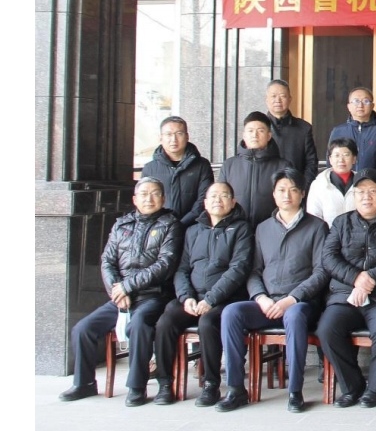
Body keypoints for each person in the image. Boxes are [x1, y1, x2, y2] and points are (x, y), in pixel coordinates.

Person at [59, 177, 182, 406]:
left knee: (138, 326)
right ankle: (84, 383)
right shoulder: (122, 224)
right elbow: (107, 260)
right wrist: (117, 290)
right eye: (143, 194)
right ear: (134, 199)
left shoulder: (170, 224)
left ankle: (137, 387)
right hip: (121, 297)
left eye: (155, 193)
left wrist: (128, 286)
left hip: (153, 296)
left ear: (163, 198)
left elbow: (165, 264)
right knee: (83, 329)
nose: (149, 198)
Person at [216, 168, 329, 413]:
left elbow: (321, 272)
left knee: (294, 316)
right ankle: (236, 389)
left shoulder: (317, 227)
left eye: (293, 190)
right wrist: (260, 297)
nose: (287, 195)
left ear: (302, 194)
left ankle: (295, 391)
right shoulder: (263, 228)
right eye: (281, 190)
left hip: (301, 303)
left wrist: (292, 298)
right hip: (267, 303)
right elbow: (254, 271)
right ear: (274, 194)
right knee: (231, 313)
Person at [317, 168, 376, 409]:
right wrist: (356, 278)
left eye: (372, 191)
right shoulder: (341, 222)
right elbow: (328, 257)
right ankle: (353, 387)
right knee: (327, 330)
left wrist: (371, 278)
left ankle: (374, 389)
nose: (366, 197)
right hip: (345, 296)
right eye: (360, 192)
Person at [156, 182, 254, 407]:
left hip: (226, 298)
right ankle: (165, 383)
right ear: (205, 203)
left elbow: (238, 269)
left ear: (233, 202)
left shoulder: (242, 229)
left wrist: (211, 299)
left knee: (208, 322)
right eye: (213, 196)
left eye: (224, 196)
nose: (218, 200)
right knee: (166, 321)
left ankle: (211, 384)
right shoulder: (193, 231)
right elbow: (181, 269)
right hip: (193, 298)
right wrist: (186, 297)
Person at [219, 111, 292, 227]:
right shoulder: (229, 165)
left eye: (260, 131)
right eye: (250, 131)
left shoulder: (283, 166)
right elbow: (221, 198)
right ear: (244, 135)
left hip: (271, 228)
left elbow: (290, 201)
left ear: (269, 136)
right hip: (236, 230)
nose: (255, 135)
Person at [140, 116, 213, 228]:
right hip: (159, 228)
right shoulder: (150, 168)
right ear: (161, 138)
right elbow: (145, 201)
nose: (173, 139)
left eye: (179, 133)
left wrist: (181, 225)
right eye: (168, 134)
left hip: (193, 227)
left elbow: (204, 199)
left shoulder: (202, 165)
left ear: (187, 136)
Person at [327, 86, 376, 178]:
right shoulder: (338, 132)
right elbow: (330, 161)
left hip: (374, 184)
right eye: (356, 101)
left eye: (366, 101)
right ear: (349, 106)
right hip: (344, 184)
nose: (360, 105)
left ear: (372, 106)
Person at [264, 79, 319, 188]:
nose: (278, 100)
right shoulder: (259, 127)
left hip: (295, 189)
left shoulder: (304, 128)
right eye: (273, 96)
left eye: (282, 96)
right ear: (266, 100)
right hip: (265, 190)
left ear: (290, 99)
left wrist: (302, 188)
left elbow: (311, 163)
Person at [307, 138, 359, 225]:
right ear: (330, 159)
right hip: (328, 233)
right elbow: (313, 218)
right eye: (337, 155)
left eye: (346, 155)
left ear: (354, 159)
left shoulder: (363, 183)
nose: (341, 160)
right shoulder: (318, 185)